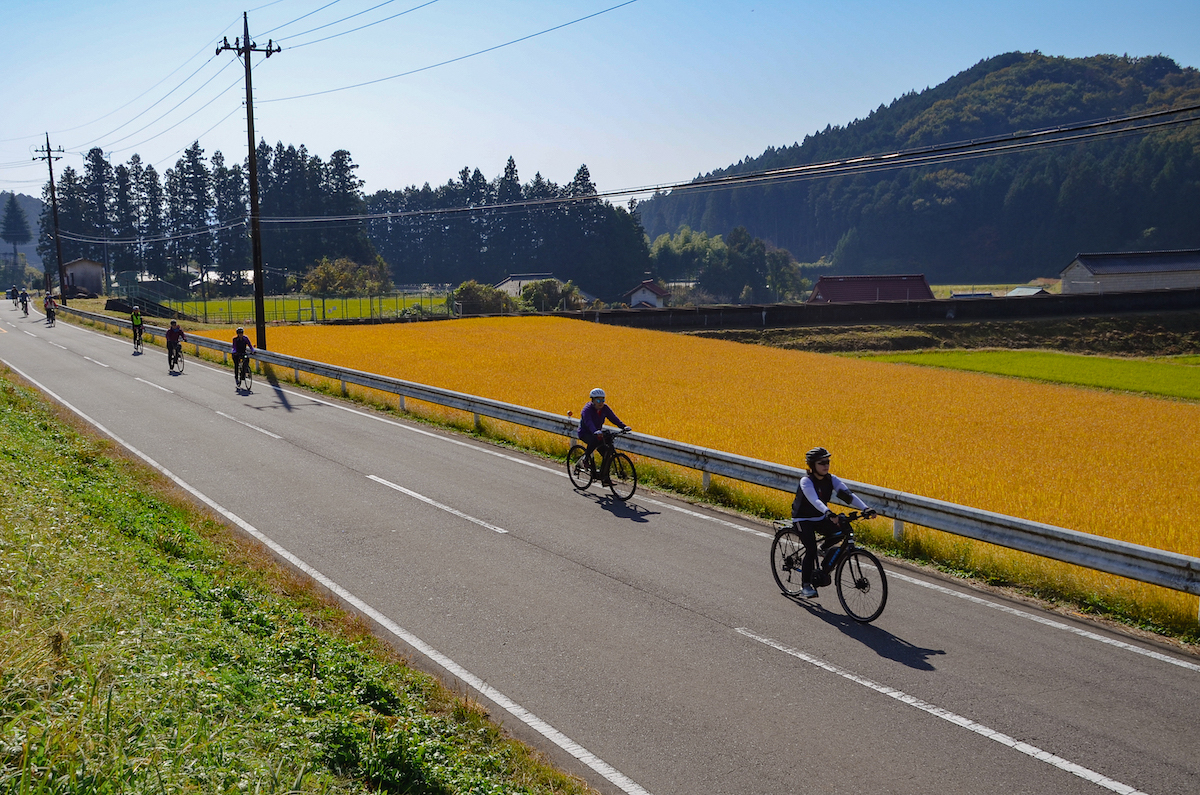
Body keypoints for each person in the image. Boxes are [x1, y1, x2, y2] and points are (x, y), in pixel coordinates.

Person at [790, 446, 877, 598]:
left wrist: (865, 508)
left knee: (842, 531)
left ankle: (822, 549)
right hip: (802, 519)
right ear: (812, 465)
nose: (825, 465)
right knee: (810, 549)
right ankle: (805, 585)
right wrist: (828, 512)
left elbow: (847, 495)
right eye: (821, 463)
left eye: (827, 462)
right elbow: (814, 500)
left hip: (821, 517)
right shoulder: (806, 481)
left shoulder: (831, 479)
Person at [577, 388, 631, 484]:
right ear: (592, 400)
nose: (601, 403)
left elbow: (613, 418)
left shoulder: (604, 408)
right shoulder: (587, 409)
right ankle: (586, 457)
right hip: (585, 433)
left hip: (597, 433)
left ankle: (604, 477)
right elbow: (588, 422)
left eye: (602, 400)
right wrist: (595, 431)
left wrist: (624, 426)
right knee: (594, 440)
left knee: (607, 453)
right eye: (598, 400)